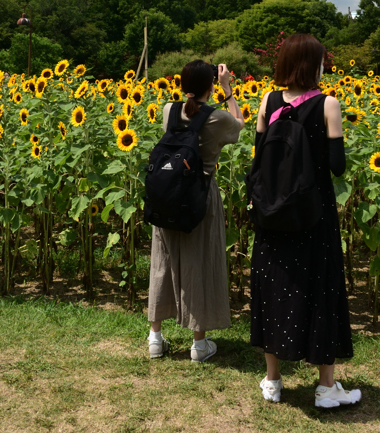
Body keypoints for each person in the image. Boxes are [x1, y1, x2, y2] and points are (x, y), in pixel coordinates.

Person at [250, 33, 359, 408]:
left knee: (273, 286)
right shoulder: (328, 104)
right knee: (320, 287)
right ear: (314, 65)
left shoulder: (268, 100)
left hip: (272, 212)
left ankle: (272, 380)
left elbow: (258, 158)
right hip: (313, 214)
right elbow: (337, 166)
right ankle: (326, 387)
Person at [147, 60, 244, 362]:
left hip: (166, 194)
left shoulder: (168, 110)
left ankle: (155, 338)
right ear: (210, 85)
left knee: (162, 263)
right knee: (198, 262)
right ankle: (199, 345)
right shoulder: (217, 119)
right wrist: (228, 90)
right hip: (199, 195)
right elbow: (240, 125)